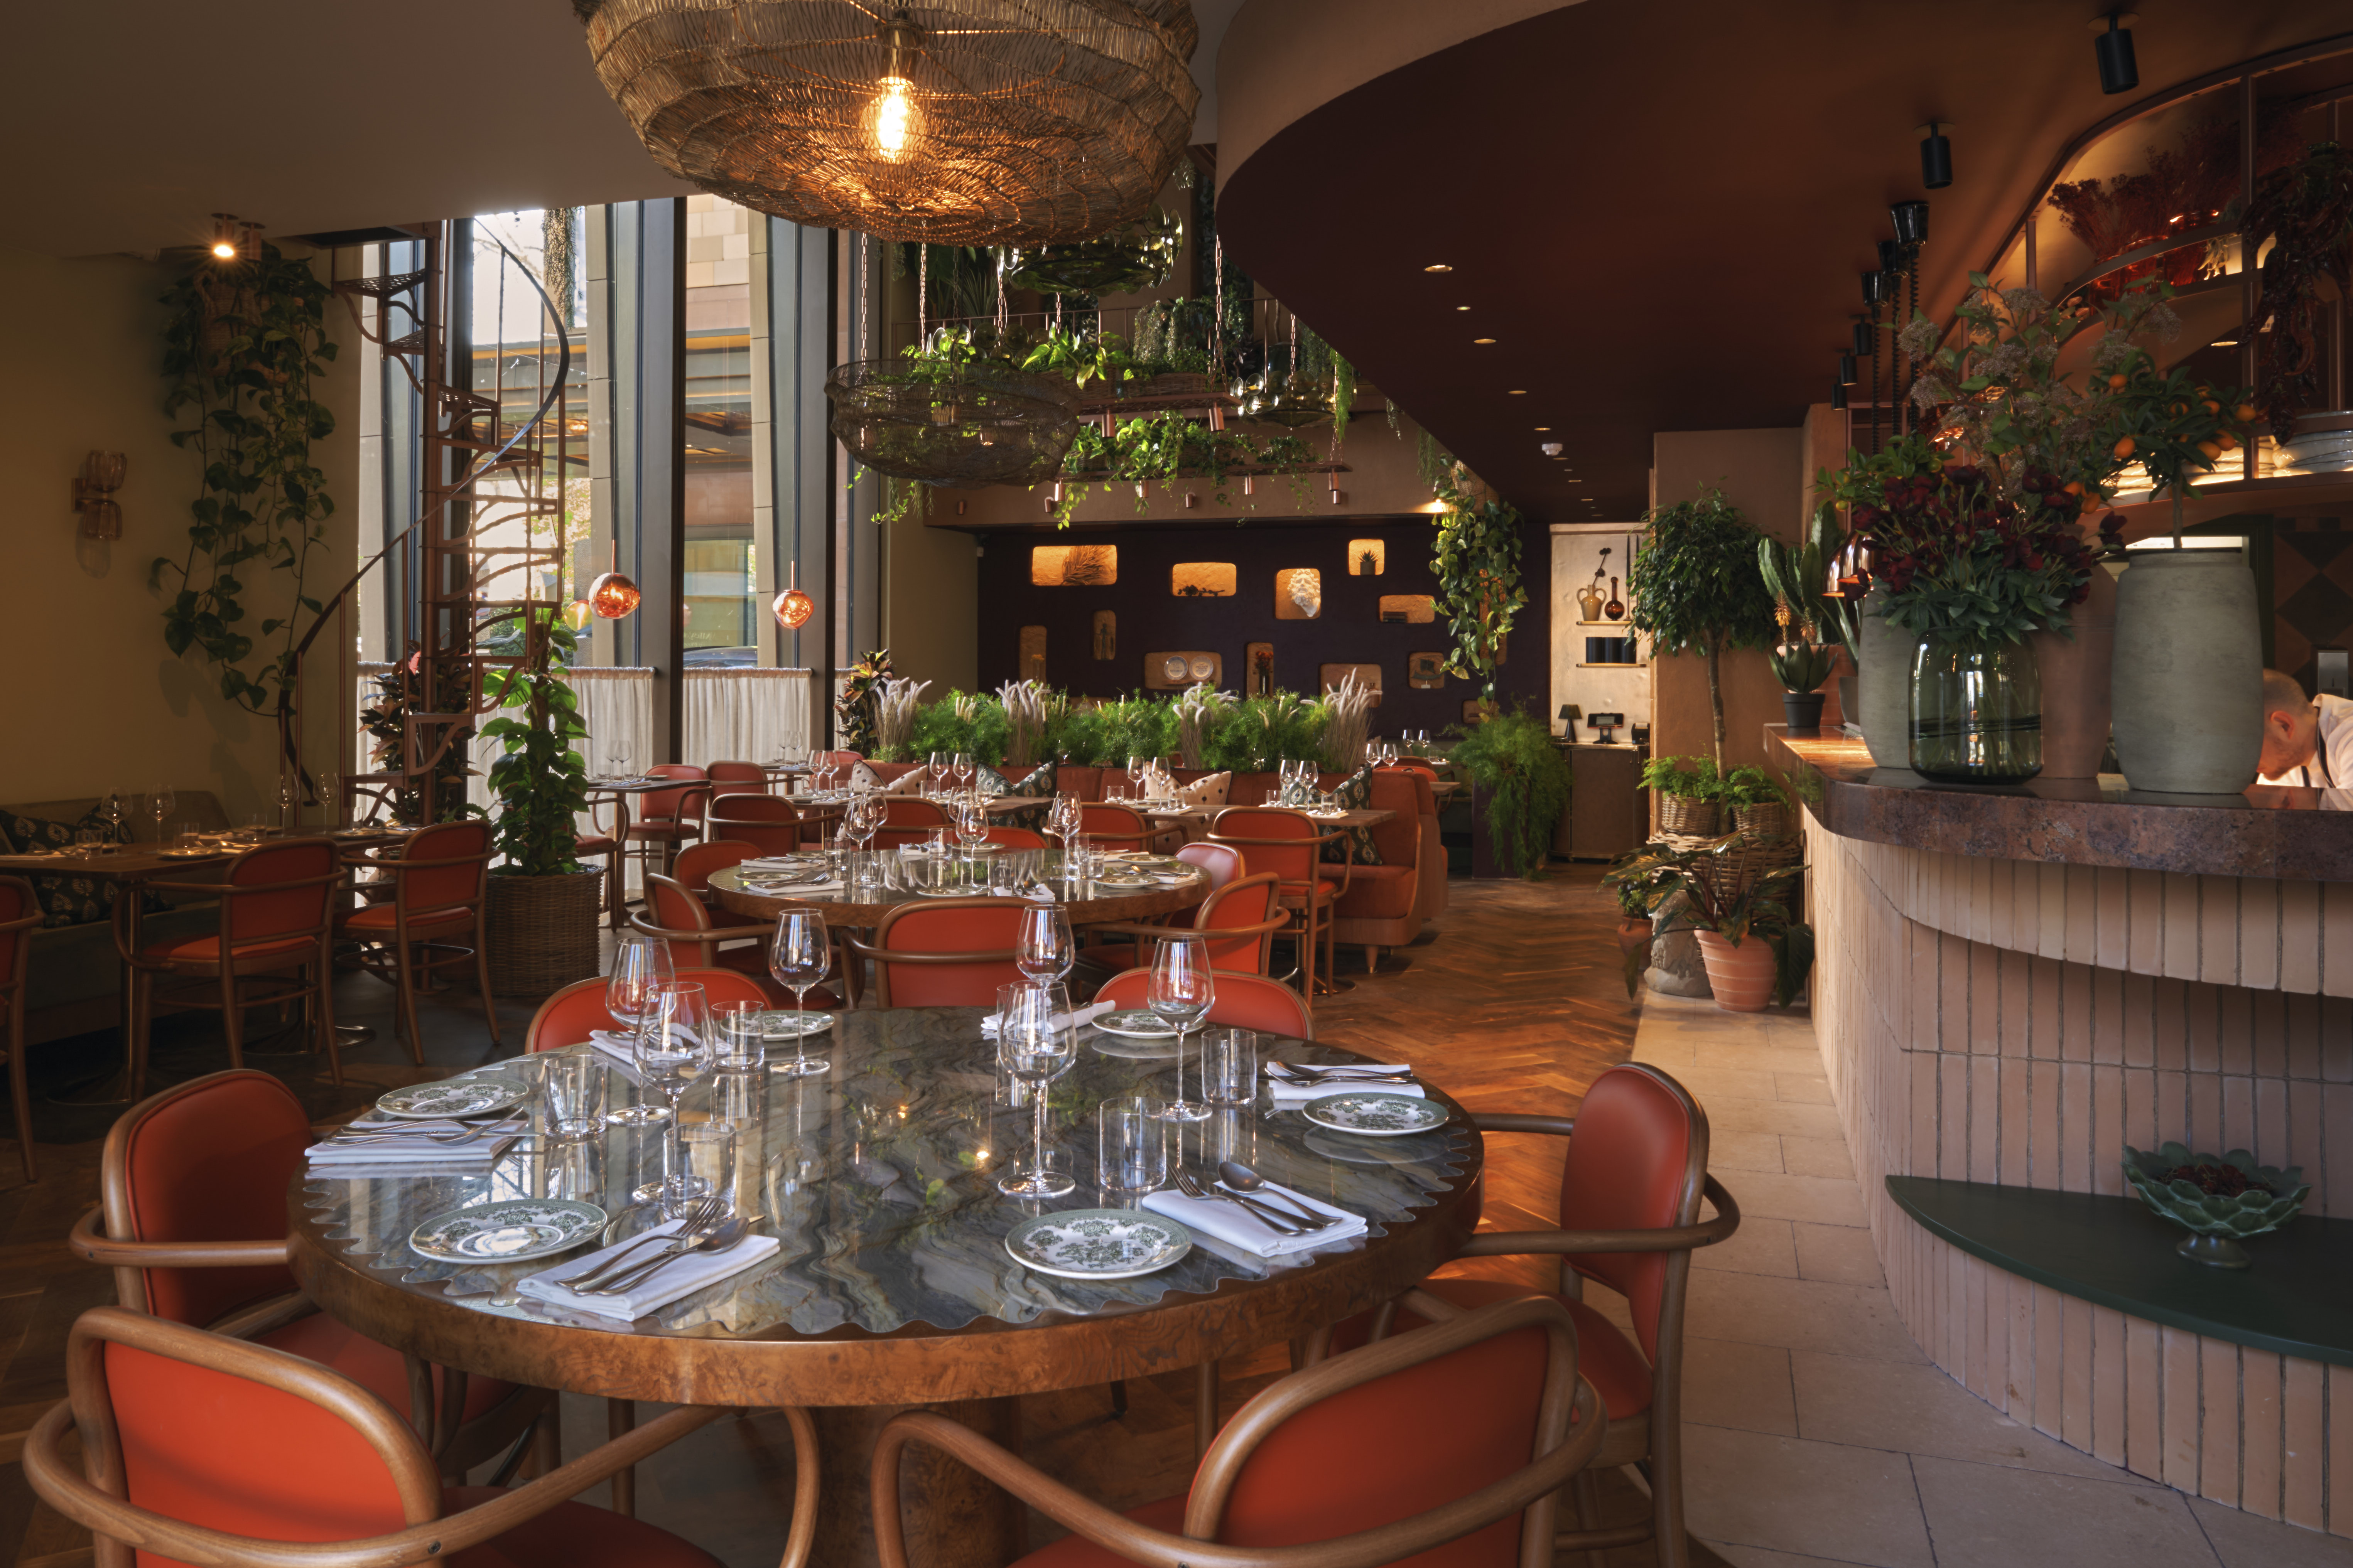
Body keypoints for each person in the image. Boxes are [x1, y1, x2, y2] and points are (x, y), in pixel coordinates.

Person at [2256, 668, 2353, 787]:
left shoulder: (2349, 737)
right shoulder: (2284, 762)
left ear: (2284, 726)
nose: (2246, 763)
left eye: (2248, 748)